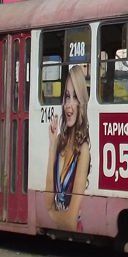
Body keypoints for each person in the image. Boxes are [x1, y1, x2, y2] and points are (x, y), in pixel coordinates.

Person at [45, 65, 91, 231]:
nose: (69, 106)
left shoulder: (83, 150)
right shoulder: (58, 143)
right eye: (66, 97)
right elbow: (47, 201)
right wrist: (51, 146)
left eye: (75, 97)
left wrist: (52, 215)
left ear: (81, 103)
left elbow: (71, 221)